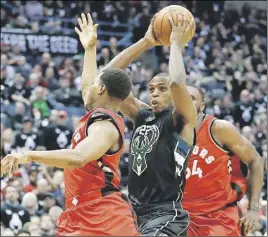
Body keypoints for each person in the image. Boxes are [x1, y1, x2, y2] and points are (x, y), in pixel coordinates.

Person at [1, 13, 139, 236]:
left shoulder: (104, 126)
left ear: (102, 89)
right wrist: (90, 49)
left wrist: (27, 155)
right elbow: (86, 90)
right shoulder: (97, 113)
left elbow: (77, 157)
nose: (88, 86)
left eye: (95, 83)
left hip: (102, 215)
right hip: (79, 211)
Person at [84, 13, 197, 236]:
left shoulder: (181, 120)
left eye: (161, 89)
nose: (154, 93)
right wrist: (145, 42)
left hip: (166, 214)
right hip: (134, 214)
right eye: (152, 88)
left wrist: (174, 43)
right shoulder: (142, 115)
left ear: (175, 96)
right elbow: (107, 79)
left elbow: (176, 82)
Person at [182, 85, 263, 236]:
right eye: (182, 96)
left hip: (218, 218)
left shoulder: (218, 128)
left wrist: (252, 209)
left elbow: (255, 161)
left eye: (192, 98)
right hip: (182, 219)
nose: (186, 100)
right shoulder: (166, 132)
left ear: (202, 106)